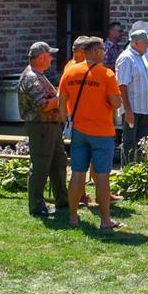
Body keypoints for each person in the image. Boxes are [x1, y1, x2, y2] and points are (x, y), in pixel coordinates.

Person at [61, 36, 124, 230]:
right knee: (102, 175)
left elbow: (61, 102)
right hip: (102, 131)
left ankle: (73, 217)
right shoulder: (106, 74)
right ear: (96, 51)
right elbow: (116, 103)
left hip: (78, 130)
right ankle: (105, 220)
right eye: (103, 49)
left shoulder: (70, 71)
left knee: (77, 173)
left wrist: (66, 122)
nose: (105, 53)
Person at [16, 41, 67, 218]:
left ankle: (62, 200)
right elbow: (43, 105)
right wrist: (63, 96)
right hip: (40, 126)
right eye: (49, 55)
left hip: (51, 126)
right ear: (40, 57)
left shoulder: (38, 75)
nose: (52, 58)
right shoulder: (31, 77)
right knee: (41, 165)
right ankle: (37, 206)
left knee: (58, 162)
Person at [114, 24, 148, 164]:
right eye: (146, 42)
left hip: (143, 108)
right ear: (137, 43)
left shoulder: (141, 56)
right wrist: (127, 109)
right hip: (133, 108)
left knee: (142, 143)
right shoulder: (126, 58)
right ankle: (127, 170)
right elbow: (122, 85)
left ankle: (139, 170)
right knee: (130, 143)